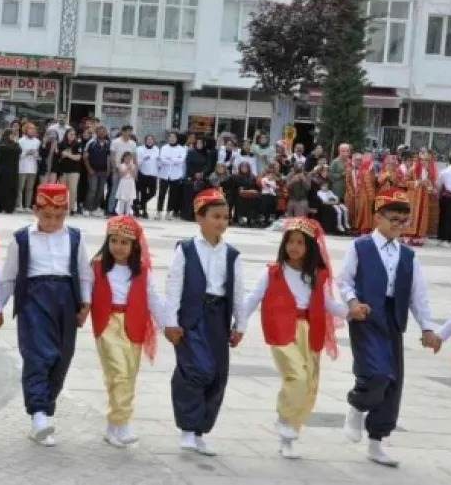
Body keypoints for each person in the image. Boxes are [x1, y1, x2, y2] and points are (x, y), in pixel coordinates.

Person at [340, 187, 442, 467]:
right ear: (378, 218)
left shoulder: (408, 256)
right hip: (367, 316)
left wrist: (427, 328)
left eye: (403, 220)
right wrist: (352, 302)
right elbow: (345, 281)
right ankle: (357, 405)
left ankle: (376, 441)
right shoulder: (360, 247)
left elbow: (416, 295)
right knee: (377, 373)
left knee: (393, 382)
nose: (398, 225)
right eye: (393, 219)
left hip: (394, 318)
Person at [237, 218, 346, 459]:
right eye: (290, 242)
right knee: (296, 376)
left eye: (300, 243)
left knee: (308, 383)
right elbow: (252, 299)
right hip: (281, 330)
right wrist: (238, 323)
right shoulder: (272, 272)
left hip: (309, 330)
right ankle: (284, 418)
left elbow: (328, 303)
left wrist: (352, 312)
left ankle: (288, 434)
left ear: (310, 247)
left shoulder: (316, 276)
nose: (294, 247)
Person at [0, 184, 92, 447]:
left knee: (61, 359)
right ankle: (38, 413)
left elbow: (84, 273)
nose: (52, 222)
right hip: (33, 300)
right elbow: (8, 277)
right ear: (35, 211)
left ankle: (45, 411)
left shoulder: (75, 237)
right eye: (46, 216)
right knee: (38, 356)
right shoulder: (21, 239)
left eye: (59, 217)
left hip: (66, 301)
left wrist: (86, 303)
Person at [163, 188, 245, 456]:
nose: (222, 222)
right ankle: (187, 428)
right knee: (195, 370)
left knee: (217, 375)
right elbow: (173, 285)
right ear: (200, 218)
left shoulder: (232, 254)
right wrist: (171, 321)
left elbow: (238, 291)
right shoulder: (186, 249)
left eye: (226, 217)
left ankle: (200, 430)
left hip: (218, 319)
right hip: (191, 319)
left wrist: (239, 325)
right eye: (216, 216)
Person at [89, 216, 167, 448]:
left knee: (128, 376)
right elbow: (84, 292)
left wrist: (168, 326)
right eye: (114, 241)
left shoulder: (142, 270)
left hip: (134, 324)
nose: (118, 247)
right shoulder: (96, 265)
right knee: (119, 373)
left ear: (134, 245)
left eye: (124, 242)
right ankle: (121, 424)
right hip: (107, 324)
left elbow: (153, 298)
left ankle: (113, 427)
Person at [437, 152, 451, 247]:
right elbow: (440, 185)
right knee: (445, 218)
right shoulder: (445, 172)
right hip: (447, 197)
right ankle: (443, 239)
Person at [16, 123, 40, 212]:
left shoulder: (37, 141)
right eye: (30, 129)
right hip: (22, 166)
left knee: (30, 188)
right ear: (26, 130)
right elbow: (18, 155)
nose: (32, 131)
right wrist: (26, 153)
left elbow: (39, 156)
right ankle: (19, 205)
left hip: (33, 167)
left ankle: (27, 205)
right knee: (20, 187)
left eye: (33, 129)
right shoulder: (21, 141)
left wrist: (35, 154)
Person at [135, 135, 159, 218]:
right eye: (148, 139)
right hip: (143, 174)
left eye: (151, 139)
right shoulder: (140, 149)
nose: (149, 141)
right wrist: (144, 159)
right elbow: (137, 162)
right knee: (143, 193)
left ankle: (140, 205)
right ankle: (144, 211)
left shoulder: (156, 149)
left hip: (153, 174)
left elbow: (158, 161)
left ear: (153, 141)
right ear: (145, 140)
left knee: (153, 193)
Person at [114, 151, 138, 217]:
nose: (128, 160)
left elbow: (134, 176)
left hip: (130, 183)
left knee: (129, 200)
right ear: (124, 158)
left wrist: (132, 169)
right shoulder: (121, 165)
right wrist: (127, 168)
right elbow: (121, 175)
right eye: (127, 158)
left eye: (130, 158)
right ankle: (120, 213)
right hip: (124, 182)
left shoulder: (133, 166)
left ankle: (128, 214)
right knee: (122, 199)